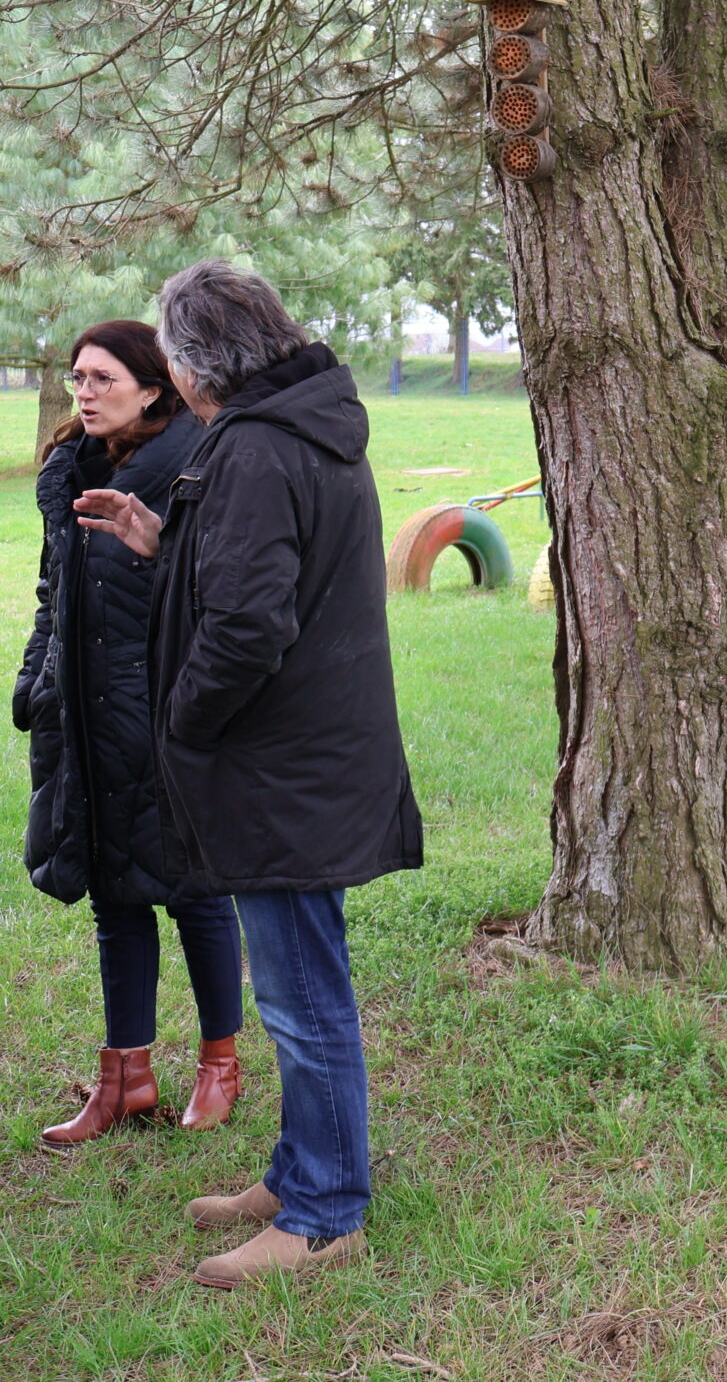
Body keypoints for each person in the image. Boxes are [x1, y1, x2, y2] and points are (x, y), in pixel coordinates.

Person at [77, 259, 421, 1290]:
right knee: (301, 985)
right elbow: (255, 567)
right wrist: (161, 539)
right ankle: (301, 1172)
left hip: (284, 769)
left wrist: (180, 723)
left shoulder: (260, 449)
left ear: (191, 363)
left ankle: (321, 1213)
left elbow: (247, 625)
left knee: (303, 995)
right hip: (306, 760)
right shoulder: (293, 429)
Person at [15, 320, 245, 1145]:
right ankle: (127, 1078)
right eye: (77, 375)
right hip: (82, 710)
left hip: (167, 716)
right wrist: (34, 679)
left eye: (102, 377)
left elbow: (219, 595)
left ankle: (221, 1063)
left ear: (152, 386)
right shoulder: (67, 468)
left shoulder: (198, 466)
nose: (83, 390)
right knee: (114, 891)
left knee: (194, 891)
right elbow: (54, 591)